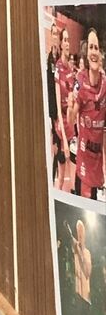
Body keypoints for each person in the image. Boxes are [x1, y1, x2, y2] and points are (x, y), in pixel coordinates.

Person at [71, 28, 106, 200]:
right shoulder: (80, 81)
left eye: (96, 48)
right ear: (87, 53)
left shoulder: (105, 84)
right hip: (83, 168)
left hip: (98, 171)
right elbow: (71, 119)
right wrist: (71, 107)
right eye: (91, 47)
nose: (94, 51)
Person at [55, 28, 76, 192]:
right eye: (65, 40)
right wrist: (64, 141)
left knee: (73, 177)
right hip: (61, 130)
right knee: (62, 177)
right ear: (61, 43)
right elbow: (57, 104)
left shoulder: (70, 68)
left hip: (71, 128)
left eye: (69, 40)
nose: (67, 43)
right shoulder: (58, 68)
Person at [47, 22, 61, 182]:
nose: (55, 37)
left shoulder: (59, 59)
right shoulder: (50, 59)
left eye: (57, 34)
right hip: (53, 109)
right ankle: (52, 175)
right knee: (55, 144)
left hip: (61, 108)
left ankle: (55, 172)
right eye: (54, 34)